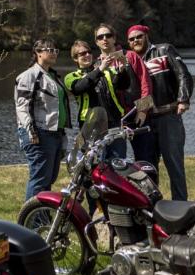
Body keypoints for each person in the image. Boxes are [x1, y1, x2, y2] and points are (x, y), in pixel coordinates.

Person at [126, 24, 193, 201]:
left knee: (174, 165)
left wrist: (183, 99)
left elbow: (182, 74)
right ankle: (152, 207)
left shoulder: (164, 50)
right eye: (131, 39)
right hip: (146, 120)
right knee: (146, 167)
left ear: (147, 35)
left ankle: (180, 206)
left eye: (139, 36)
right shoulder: (131, 60)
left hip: (168, 115)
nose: (135, 41)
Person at [14, 38, 71, 200]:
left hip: (54, 133)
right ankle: (31, 221)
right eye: (49, 50)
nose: (54, 53)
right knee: (39, 179)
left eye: (55, 50)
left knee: (49, 179)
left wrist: (63, 134)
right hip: (38, 134)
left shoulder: (53, 76)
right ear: (38, 52)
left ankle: (41, 216)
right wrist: (31, 131)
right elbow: (22, 107)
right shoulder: (28, 76)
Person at [94, 23, 155, 163]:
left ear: (114, 38)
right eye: (100, 37)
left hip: (137, 116)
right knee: (114, 162)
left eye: (108, 35)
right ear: (96, 42)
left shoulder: (131, 56)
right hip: (114, 122)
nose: (105, 39)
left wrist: (143, 110)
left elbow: (146, 83)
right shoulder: (97, 65)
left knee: (145, 160)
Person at [64, 40, 130, 160]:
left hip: (114, 122)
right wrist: (99, 70)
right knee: (93, 163)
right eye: (82, 54)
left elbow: (124, 85)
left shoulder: (108, 71)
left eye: (89, 52)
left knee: (118, 160)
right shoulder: (71, 77)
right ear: (75, 58)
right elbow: (79, 87)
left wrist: (122, 70)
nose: (87, 55)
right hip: (90, 124)